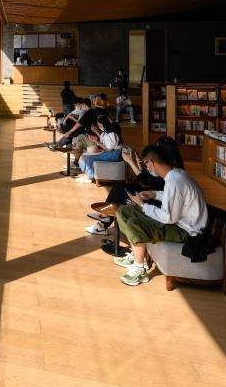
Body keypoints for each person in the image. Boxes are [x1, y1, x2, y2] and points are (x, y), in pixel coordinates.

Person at [111, 145, 208, 286]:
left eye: (146, 163)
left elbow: (168, 218)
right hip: (178, 222)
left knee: (134, 223)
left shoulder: (175, 181)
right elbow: (171, 197)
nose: (147, 167)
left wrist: (142, 205)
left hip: (185, 230)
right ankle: (137, 255)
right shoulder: (176, 174)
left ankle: (140, 268)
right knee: (124, 211)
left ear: (151, 162)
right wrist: (153, 194)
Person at [74, 115, 123, 184]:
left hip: (113, 155)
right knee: (85, 156)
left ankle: (90, 177)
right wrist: (96, 137)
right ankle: (88, 175)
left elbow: (109, 149)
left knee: (89, 158)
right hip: (110, 153)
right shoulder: (107, 132)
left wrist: (98, 143)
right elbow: (103, 140)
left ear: (104, 124)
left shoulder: (112, 134)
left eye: (100, 125)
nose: (99, 127)